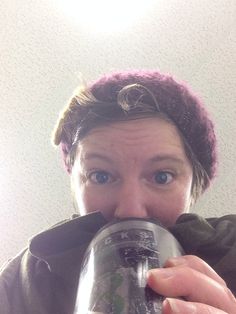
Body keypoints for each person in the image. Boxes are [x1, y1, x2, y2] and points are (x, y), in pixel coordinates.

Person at [0, 70, 236, 314]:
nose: (130, 209)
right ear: (75, 182)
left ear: (194, 185)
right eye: (100, 176)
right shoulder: (21, 280)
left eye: (161, 177)